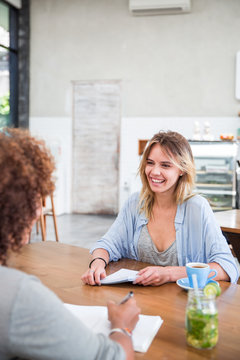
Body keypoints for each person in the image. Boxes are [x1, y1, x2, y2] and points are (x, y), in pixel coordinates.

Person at [0, 128, 140, 360]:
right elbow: (113, 356)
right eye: (36, 199)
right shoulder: (18, 295)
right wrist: (122, 325)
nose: (38, 211)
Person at [82, 130, 239, 286]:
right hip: (140, 300)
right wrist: (98, 263)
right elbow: (107, 244)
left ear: (182, 170)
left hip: (183, 305)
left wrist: (169, 273)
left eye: (165, 165)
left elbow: (227, 267)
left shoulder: (197, 208)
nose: (154, 171)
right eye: (150, 163)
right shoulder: (135, 203)